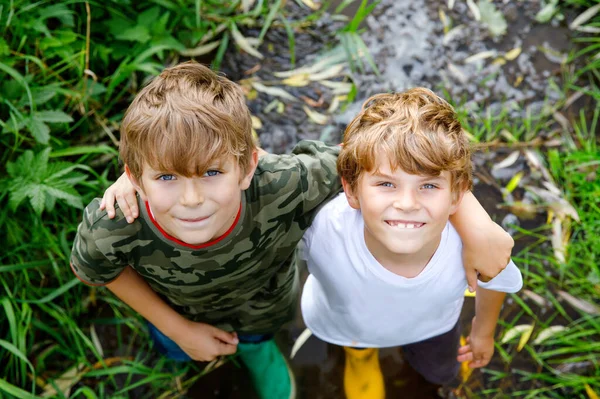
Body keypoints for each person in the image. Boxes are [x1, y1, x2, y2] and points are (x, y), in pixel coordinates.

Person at [72, 61, 513, 399]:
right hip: (175, 312)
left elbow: (380, 158)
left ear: (248, 166)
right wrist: (178, 328)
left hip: (264, 309)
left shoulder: (286, 183)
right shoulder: (118, 222)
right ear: (134, 176)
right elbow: (95, 267)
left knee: (258, 340)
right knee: (176, 348)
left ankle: (259, 352)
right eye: (166, 177)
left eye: (210, 172)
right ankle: (184, 351)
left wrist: (475, 219)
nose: (191, 200)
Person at [299, 88, 523, 399]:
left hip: (434, 327)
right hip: (353, 326)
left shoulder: (472, 243)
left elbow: (495, 278)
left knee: (443, 372)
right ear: (351, 190)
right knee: (360, 353)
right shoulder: (321, 228)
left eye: (428, 185)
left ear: (457, 195)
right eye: (386, 184)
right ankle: (361, 356)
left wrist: (482, 331)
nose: (407, 203)